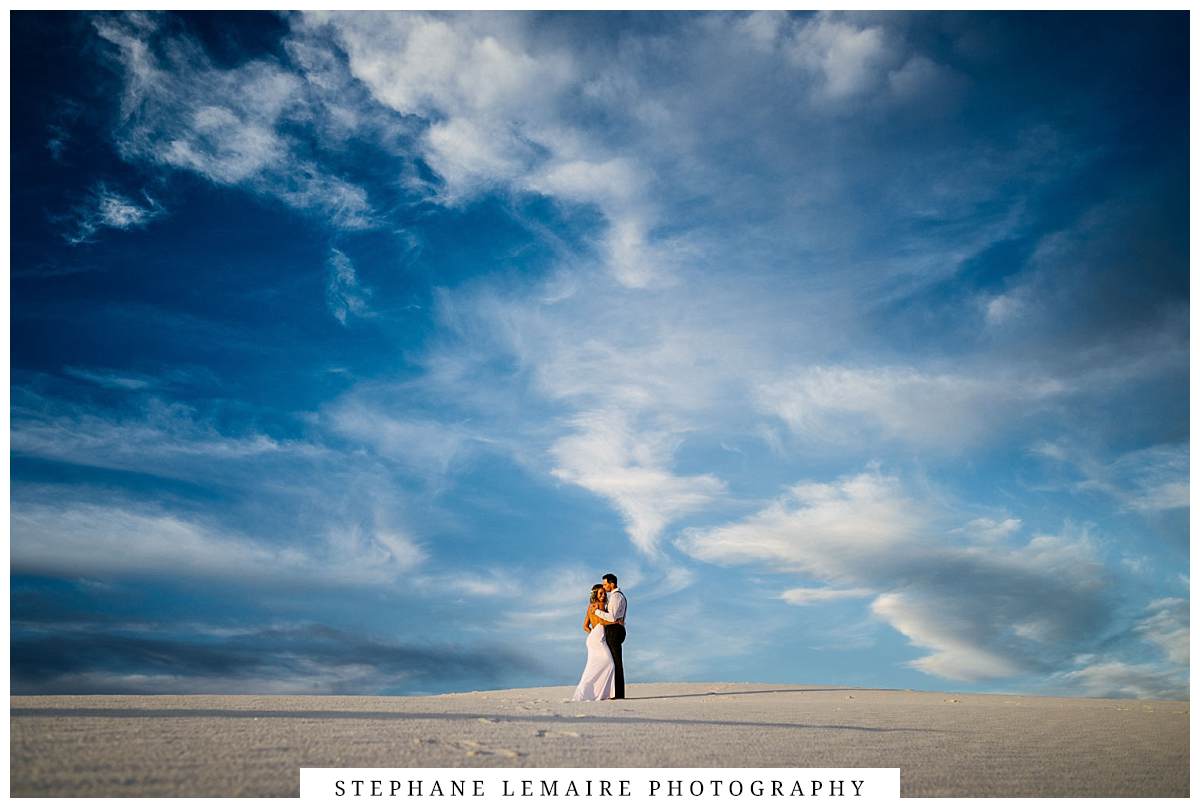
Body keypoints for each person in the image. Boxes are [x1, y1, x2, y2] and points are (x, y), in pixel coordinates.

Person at [571, 584, 616, 701]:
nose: (603, 595)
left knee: (592, 666)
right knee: (609, 664)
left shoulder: (590, 606)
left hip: (592, 638)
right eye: (600, 593)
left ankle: (589, 692)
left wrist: (592, 632)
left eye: (604, 593)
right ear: (595, 594)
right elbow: (602, 620)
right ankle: (601, 694)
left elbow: (585, 626)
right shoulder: (599, 605)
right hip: (597, 638)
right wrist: (617, 622)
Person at [591, 573, 627, 699]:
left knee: (615, 662)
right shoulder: (614, 597)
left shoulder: (616, 597)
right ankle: (614, 692)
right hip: (616, 629)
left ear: (612, 584)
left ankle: (617, 694)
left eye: (606, 584)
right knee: (613, 661)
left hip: (614, 631)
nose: (604, 587)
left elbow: (611, 617)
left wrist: (596, 611)